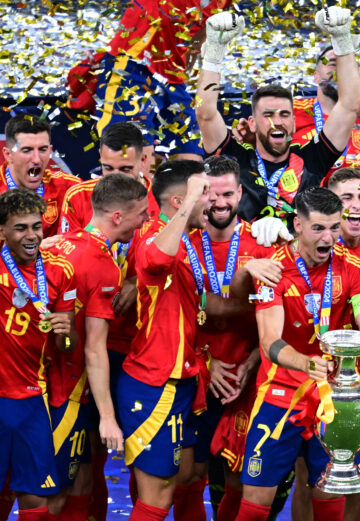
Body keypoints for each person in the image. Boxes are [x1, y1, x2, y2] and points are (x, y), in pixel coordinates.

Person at [235, 187, 360, 521]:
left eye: (335, 227)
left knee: (331, 499)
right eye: (319, 228)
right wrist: (306, 363)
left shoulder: (355, 268)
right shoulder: (272, 270)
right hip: (280, 395)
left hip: (332, 398)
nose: (329, 237)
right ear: (298, 226)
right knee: (254, 506)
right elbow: (270, 341)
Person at [115, 160, 220, 521]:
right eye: (206, 192)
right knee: (156, 495)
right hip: (154, 383)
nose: (214, 200)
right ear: (179, 202)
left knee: (188, 478)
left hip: (184, 379)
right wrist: (193, 197)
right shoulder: (152, 235)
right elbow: (157, 261)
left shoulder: (188, 238)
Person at [45, 174, 150, 521]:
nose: (145, 222)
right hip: (64, 390)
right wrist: (107, 418)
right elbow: (93, 348)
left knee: (79, 482)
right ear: (118, 216)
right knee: (54, 493)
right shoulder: (102, 265)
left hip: (35, 381)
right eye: (141, 215)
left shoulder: (58, 243)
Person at [0, 189, 77, 521]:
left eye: (36, 226)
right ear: (0, 230)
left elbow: (66, 347)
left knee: (36, 502)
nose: (31, 236)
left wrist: (65, 333)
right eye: (20, 228)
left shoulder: (61, 271)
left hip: (32, 399)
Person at [196, 8, 360, 224]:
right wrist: (214, 52)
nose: (277, 121)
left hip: (296, 255)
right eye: (268, 114)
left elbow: (349, 105)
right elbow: (205, 113)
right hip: (242, 255)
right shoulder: (233, 158)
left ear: (293, 123)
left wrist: (342, 40)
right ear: (253, 123)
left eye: (284, 114)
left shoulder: (312, 159)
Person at [187, 156, 280, 521]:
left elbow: (278, 318)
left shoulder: (262, 243)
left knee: (240, 481)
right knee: (188, 478)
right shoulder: (182, 244)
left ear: (240, 193)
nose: (219, 202)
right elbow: (169, 316)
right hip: (195, 376)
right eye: (210, 193)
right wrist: (206, 363)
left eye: (227, 193)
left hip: (247, 379)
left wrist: (253, 360)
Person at [87, 0, 231, 159]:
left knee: (191, 160)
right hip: (133, 64)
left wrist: (187, 61)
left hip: (172, 76)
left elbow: (201, 33)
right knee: (131, 159)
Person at [0, 116, 81, 237]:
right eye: (27, 150)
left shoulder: (70, 187)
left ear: (50, 151)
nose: (37, 159)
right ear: (8, 154)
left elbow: (96, 232)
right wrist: (38, 248)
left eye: (43, 149)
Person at [292, 45, 360, 172]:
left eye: (347, 67)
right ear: (316, 76)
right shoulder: (292, 111)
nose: (340, 71)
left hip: (358, 191)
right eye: (332, 64)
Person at [59, 121, 156, 233]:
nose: (115, 178)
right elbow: (66, 247)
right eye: (108, 168)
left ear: (142, 160)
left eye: (125, 169)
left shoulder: (162, 198)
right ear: (101, 155)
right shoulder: (78, 197)